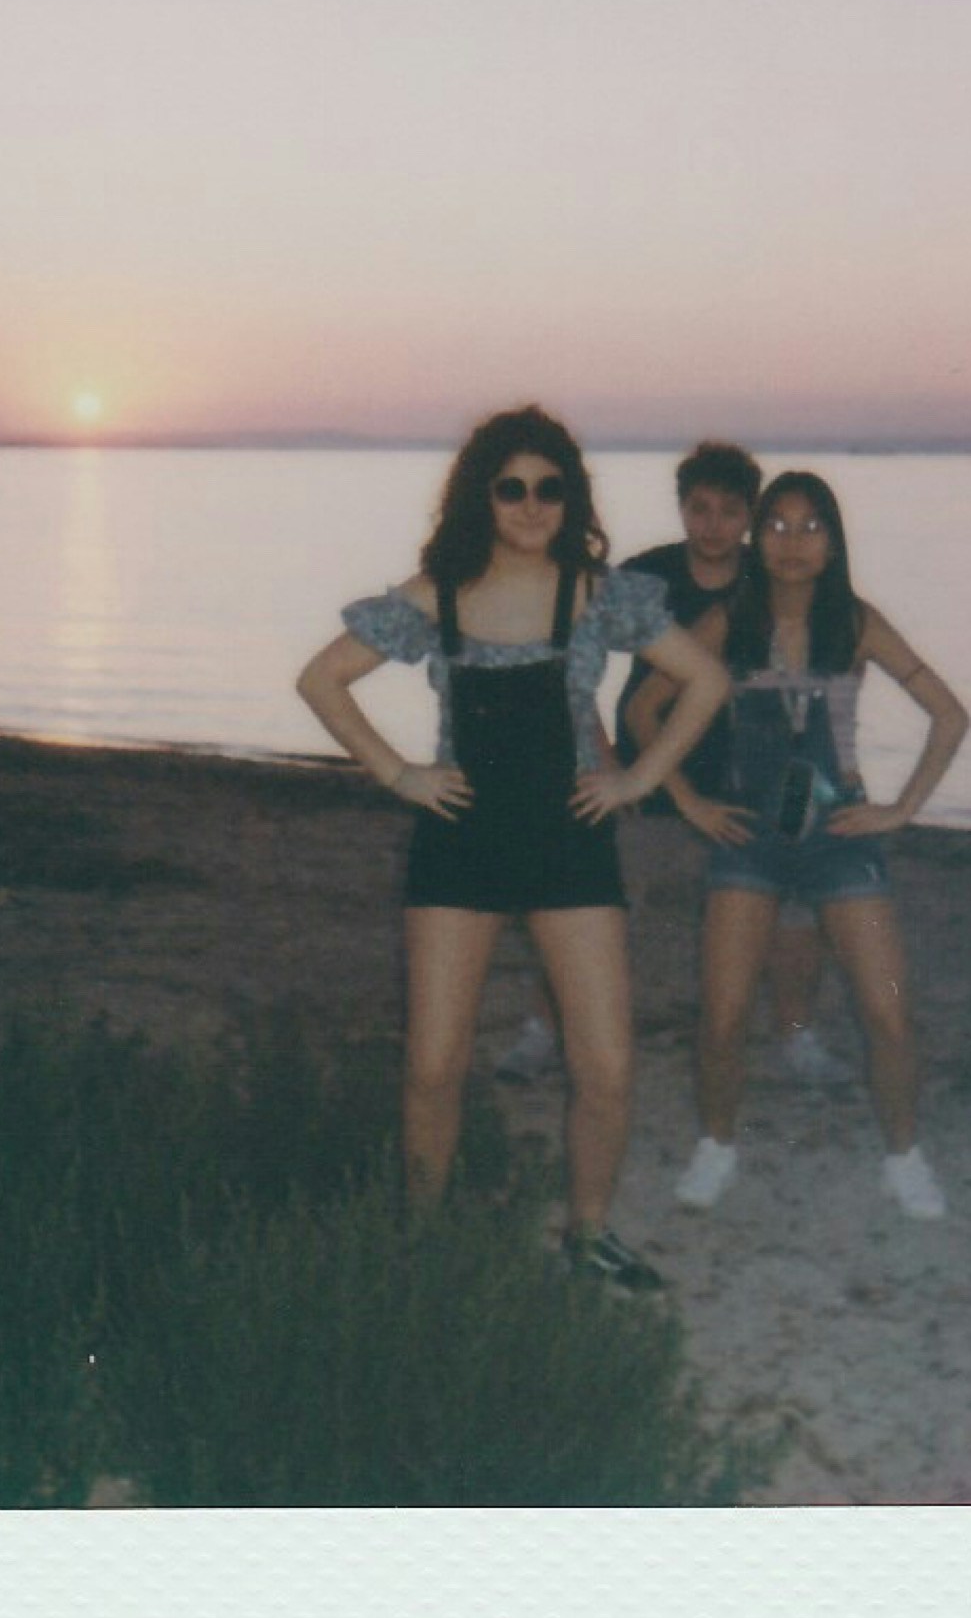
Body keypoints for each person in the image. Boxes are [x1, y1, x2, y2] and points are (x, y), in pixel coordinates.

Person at [295, 406, 731, 1291]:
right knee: (433, 1062)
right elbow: (322, 678)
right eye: (513, 489)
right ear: (482, 497)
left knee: (605, 1062)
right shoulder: (437, 595)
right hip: (459, 844)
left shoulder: (601, 594)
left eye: (550, 489)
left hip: (571, 843)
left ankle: (589, 1235)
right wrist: (398, 773)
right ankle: (422, 1241)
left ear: (570, 499)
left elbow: (706, 680)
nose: (532, 506)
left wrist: (639, 781)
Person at [630, 469, 970, 1219]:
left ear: (834, 541)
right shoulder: (728, 619)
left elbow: (949, 715)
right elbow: (645, 706)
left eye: (810, 527)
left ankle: (904, 1158)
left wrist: (900, 809)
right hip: (748, 834)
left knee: (888, 1014)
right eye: (777, 526)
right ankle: (717, 1148)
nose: (791, 543)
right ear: (759, 537)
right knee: (721, 1016)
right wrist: (688, 801)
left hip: (838, 833)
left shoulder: (856, 622)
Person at [496, 442, 851, 1088]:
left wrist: (804, 802)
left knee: (795, 911)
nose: (712, 525)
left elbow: (812, 701)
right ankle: (541, 1032)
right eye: (699, 509)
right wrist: (603, 762)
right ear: (682, 508)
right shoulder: (642, 579)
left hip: (749, 787)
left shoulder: (770, 580)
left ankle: (797, 1039)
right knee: (578, 902)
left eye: (729, 511)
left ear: (750, 516)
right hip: (642, 781)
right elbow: (570, 673)